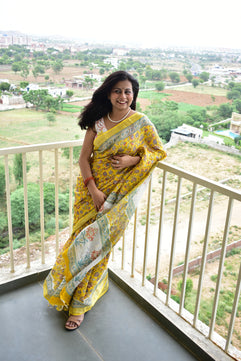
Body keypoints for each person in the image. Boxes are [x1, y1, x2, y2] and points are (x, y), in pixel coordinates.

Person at [43, 71, 167, 331]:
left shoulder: (142, 123)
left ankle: (80, 303)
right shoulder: (97, 122)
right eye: (118, 91)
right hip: (90, 194)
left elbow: (157, 151)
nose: (123, 96)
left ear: (134, 96)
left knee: (99, 247)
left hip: (119, 197)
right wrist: (94, 191)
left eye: (128, 92)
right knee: (80, 241)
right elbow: (83, 159)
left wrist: (132, 160)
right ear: (109, 94)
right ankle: (69, 288)